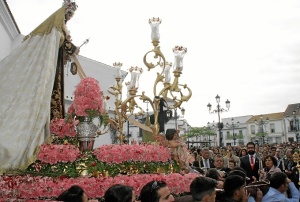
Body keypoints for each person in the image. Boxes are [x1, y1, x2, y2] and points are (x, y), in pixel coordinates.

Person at [0, 0, 80, 173]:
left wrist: (68, 50)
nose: (69, 18)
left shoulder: (60, 30)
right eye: (68, 14)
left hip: (55, 73)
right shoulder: (55, 29)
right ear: (63, 13)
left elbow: (62, 48)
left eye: (70, 15)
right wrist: (70, 47)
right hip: (50, 73)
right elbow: (61, 44)